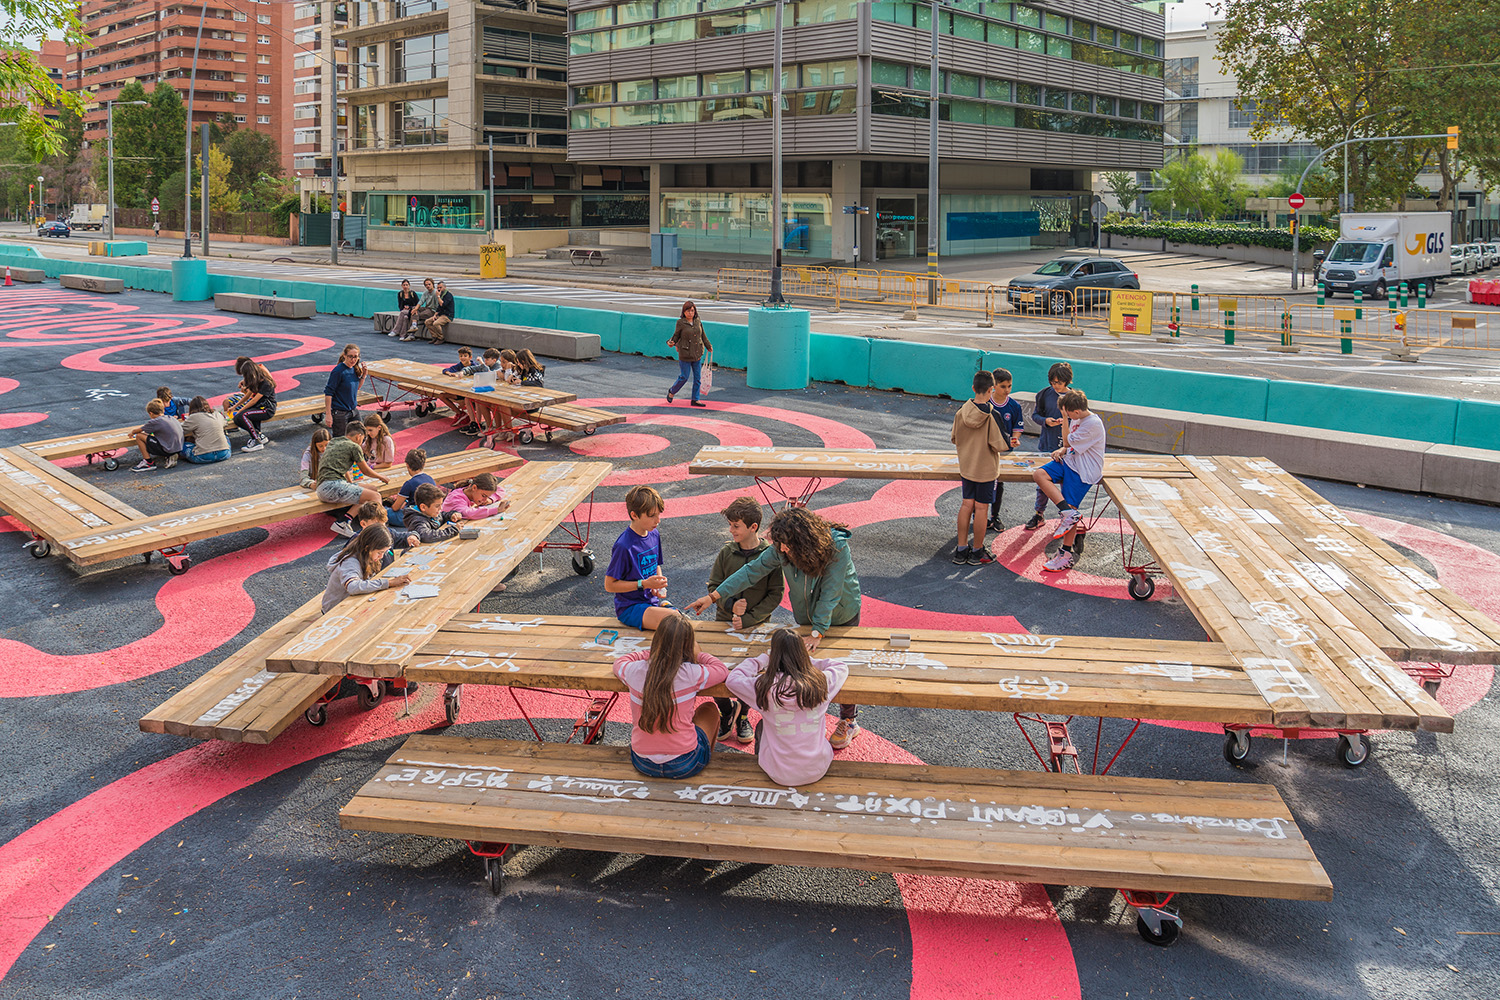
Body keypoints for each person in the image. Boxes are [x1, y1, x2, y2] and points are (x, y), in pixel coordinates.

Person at [685, 507, 864, 749]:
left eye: (787, 545)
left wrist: (818, 631)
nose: (782, 550)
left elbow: (831, 592)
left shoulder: (837, 547)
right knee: (807, 664)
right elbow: (751, 571)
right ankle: (807, 717)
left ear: (804, 541)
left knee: (843, 663)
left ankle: (848, 719)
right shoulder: (783, 547)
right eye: (779, 545)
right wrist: (714, 596)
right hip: (809, 617)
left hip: (842, 613)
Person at [726, 628, 849, 786]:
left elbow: (732, 679)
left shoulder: (764, 687)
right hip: (817, 769)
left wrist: (762, 659)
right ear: (802, 653)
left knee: (762, 726)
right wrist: (805, 662)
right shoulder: (821, 682)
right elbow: (841, 666)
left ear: (774, 656)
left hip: (778, 773)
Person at [706, 496, 784, 744]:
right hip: (723, 624)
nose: (731, 530)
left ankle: (743, 715)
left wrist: (750, 618)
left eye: (735, 525)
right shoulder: (726, 552)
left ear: (753, 527)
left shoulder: (771, 556)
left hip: (756, 627)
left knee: (751, 674)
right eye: (730, 524)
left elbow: (775, 594)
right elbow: (713, 586)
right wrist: (729, 605)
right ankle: (726, 711)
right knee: (716, 671)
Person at [613, 613, 728, 780]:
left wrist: (650, 653)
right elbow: (722, 670)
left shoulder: (634, 671)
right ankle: (703, 761)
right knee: (709, 708)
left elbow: (619, 662)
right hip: (685, 763)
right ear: (687, 646)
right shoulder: (691, 673)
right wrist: (698, 654)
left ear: (657, 641)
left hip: (643, 762)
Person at [1035, 389, 1105, 573]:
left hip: (1083, 470)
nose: (1065, 416)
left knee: (1072, 508)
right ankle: (1067, 512)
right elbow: (1069, 445)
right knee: (1040, 475)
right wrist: (1063, 450)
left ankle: (1066, 555)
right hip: (1071, 461)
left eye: (1067, 413)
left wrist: (1065, 421)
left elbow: (1067, 441)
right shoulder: (1079, 417)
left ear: (1076, 412)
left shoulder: (1092, 424)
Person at [951, 370, 1010, 566]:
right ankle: (977, 550)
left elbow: (954, 438)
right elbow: (1001, 445)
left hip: (967, 466)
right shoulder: (992, 415)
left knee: (966, 504)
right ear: (991, 390)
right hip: (985, 469)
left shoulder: (961, 412)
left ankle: (961, 549)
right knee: (982, 508)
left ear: (973, 388)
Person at [606, 485, 673, 631]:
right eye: (652, 516)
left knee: (678, 622)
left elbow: (656, 565)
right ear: (634, 515)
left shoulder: (654, 534)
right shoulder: (624, 546)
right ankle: (665, 608)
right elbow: (609, 585)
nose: (658, 520)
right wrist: (644, 584)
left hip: (651, 602)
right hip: (630, 607)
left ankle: (663, 607)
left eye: (659, 514)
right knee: (673, 623)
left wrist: (658, 584)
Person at [316, 425, 392, 538]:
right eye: (363, 439)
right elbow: (365, 470)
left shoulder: (335, 441)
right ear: (358, 436)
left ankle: (344, 521)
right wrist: (381, 477)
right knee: (375, 496)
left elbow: (340, 464)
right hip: (331, 486)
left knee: (371, 489)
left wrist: (350, 481)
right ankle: (380, 531)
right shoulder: (354, 446)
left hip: (324, 486)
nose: (362, 442)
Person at [321, 524, 411, 615]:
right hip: (335, 610)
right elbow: (353, 587)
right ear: (367, 548)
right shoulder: (350, 562)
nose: (381, 556)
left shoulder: (366, 554)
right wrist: (389, 583)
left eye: (384, 552)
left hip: (352, 602)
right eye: (379, 552)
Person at [1025, 362, 1072, 531]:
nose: (1055, 385)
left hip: (1068, 448)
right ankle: (1039, 513)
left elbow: (1081, 419)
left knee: (1067, 484)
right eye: (1053, 382)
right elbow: (1036, 415)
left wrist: (1067, 422)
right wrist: (1046, 421)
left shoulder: (1074, 398)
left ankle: (1067, 515)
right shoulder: (1044, 394)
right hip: (1047, 444)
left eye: (1059, 382)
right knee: (1043, 484)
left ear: (1067, 380)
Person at [987, 367, 1025, 533]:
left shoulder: (1014, 405)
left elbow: (1017, 426)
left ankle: (995, 516)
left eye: (1009, 386)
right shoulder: (986, 404)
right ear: (994, 386)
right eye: (1003, 386)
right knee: (982, 482)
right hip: (986, 451)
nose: (1007, 390)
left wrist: (1015, 438)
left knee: (999, 483)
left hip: (1004, 451)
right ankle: (977, 514)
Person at [666, 301, 712, 407]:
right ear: (684, 312)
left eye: (692, 311)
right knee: (684, 377)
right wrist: (671, 342)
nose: (690, 313)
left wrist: (708, 345)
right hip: (685, 354)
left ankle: (695, 399)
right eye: (688, 311)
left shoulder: (698, 321)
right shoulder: (680, 323)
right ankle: (672, 391)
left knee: (697, 378)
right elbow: (676, 336)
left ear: (695, 311)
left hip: (697, 353)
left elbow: (703, 335)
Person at [229, 356, 278, 452]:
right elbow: (247, 396)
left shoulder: (266, 383)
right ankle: (259, 436)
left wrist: (240, 410)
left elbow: (254, 400)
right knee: (238, 417)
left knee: (242, 416)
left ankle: (256, 441)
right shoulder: (255, 381)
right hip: (259, 407)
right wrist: (234, 407)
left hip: (267, 409)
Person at [322, 343, 366, 438]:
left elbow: (356, 388)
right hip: (340, 413)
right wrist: (328, 414)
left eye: (355, 357)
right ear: (344, 355)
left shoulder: (354, 369)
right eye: (350, 356)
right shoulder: (338, 371)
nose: (353, 359)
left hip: (353, 410)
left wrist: (364, 376)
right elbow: (328, 393)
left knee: (360, 436)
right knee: (340, 440)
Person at [129, 398, 183, 472]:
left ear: (151, 413)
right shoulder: (171, 417)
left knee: (139, 436)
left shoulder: (155, 421)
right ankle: (170, 455)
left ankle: (148, 462)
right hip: (178, 448)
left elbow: (138, 431)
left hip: (167, 450)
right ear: (163, 410)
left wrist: (132, 432)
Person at [180, 395, 231, 464]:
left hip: (203, 456)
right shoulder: (217, 414)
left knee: (182, 445)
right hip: (224, 454)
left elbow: (180, 429)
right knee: (226, 438)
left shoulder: (194, 417)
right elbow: (225, 423)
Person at [354, 500, 419, 553]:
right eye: (377, 525)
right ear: (363, 524)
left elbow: (403, 537)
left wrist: (412, 536)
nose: (381, 529)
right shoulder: (357, 543)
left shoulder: (387, 533)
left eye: (383, 524)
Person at [441, 473, 510, 521]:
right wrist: (497, 510)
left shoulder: (470, 491)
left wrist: (490, 499)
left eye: (487, 496)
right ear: (474, 488)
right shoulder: (456, 498)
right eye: (483, 496)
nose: (484, 500)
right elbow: (468, 514)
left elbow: (501, 490)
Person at [392, 448, 434, 512]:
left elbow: (395, 508)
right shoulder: (430, 479)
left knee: (388, 511)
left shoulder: (409, 484)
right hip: (429, 511)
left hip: (414, 513)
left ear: (407, 465)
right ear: (423, 464)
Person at [424, 279, 455, 344]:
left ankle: (441, 338)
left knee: (436, 323)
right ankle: (434, 336)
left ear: (444, 287)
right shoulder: (441, 295)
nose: (439, 289)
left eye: (440, 287)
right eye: (438, 288)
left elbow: (442, 304)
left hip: (447, 315)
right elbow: (439, 307)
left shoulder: (448, 295)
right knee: (427, 322)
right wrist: (435, 315)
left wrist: (438, 296)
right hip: (440, 314)